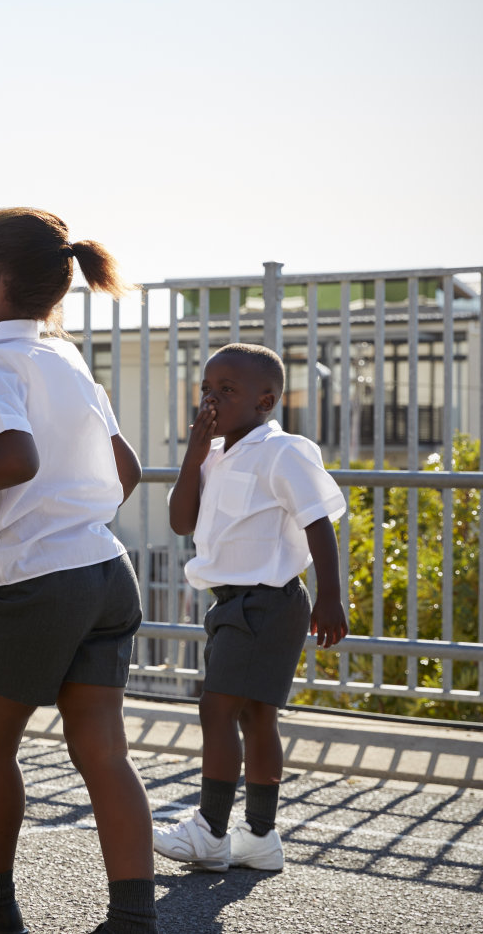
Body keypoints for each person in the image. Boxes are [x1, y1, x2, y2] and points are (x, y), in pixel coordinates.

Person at [0, 208, 157, 934]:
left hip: (37, 581)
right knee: (103, 752)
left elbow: (12, 457)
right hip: (104, 571)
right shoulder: (66, 360)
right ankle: (133, 919)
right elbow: (128, 470)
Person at [155, 343, 349, 872]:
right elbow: (180, 521)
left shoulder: (284, 451)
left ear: (265, 400)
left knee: (216, 708)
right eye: (206, 389)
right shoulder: (215, 456)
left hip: (268, 602)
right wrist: (194, 453)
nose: (211, 400)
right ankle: (260, 838)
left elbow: (318, 524)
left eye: (227, 391)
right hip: (233, 603)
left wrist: (331, 597)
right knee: (257, 717)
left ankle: (210, 831)